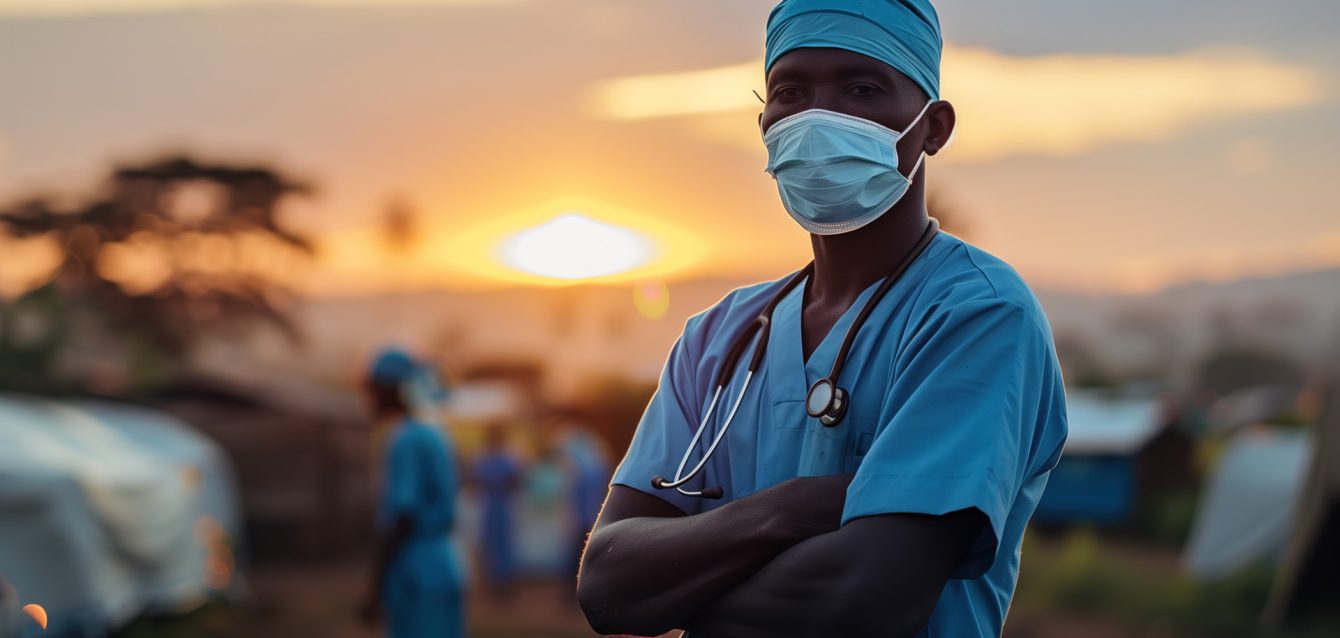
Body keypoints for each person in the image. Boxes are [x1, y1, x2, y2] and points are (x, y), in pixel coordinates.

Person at [576, 2, 1069, 637]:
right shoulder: (719, 337)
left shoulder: (976, 316)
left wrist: (679, 588)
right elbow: (607, 584)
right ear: (765, 123)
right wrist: (788, 510)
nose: (818, 116)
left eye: (862, 88)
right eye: (791, 92)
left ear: (934, 128)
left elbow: (866, 597)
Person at [360, 348, 467, 638]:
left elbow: (403, 517)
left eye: (375, 388)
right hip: (444, 563)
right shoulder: (434, 432)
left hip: (416, 570)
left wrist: (375, 584)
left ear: (394, 389)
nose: (369, 396)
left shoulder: (405, 439)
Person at [470, 423, 523, 599]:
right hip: (499, 504)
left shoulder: (485, 458)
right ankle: (501, 583)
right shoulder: (507, 458)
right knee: (499, 544)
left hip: (495, 504)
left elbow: (476, 480)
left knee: (497, 544)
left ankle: (500, 583)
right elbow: (515, 479)